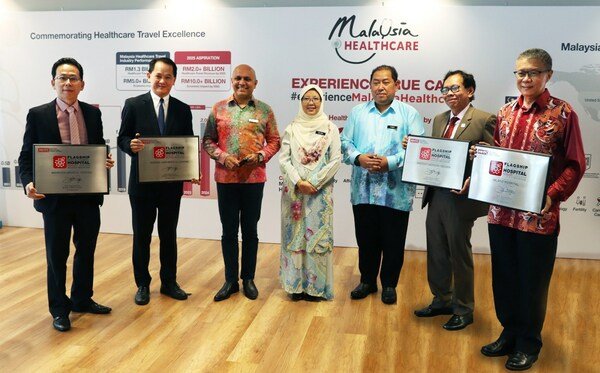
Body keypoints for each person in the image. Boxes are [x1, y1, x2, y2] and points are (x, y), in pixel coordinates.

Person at [477, 48, 585, 371]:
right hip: (501, 214)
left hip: (538, 218)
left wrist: (552, 194)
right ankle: (509, 333)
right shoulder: (505, 112)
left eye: (533, 73)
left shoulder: (563, 114)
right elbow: (499, 157)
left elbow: (575, 165)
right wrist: (483, 161)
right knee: (504, 277)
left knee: (532, 282)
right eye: (521, 73)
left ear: (547, 75)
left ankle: (528, 343)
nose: (526, 78)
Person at [18, 57, 114, 332]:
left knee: (86, 250)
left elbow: (96, 150)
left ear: (82, 84)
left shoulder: (93, 114)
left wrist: (103, 161)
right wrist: (28, 183)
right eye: (63, 78)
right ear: (53, 82)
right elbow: (26, 156)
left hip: (86, 197)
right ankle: (59, 309)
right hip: (54, 200)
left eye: (73, 78)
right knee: (57, 255)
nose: (68, 83)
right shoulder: (38, 114)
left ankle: (82, 299)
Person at [410, 70, 496, 330]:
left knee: (459, 253)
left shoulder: (483, 119)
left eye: (455, 88)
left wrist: (478, 160)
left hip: (461, 198)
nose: (449, 94)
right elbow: (435, 155)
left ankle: (464, 307)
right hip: (436, 194)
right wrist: (412, 148)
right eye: (445, 89)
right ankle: (441, 299)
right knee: (436, 250)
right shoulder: (438, 120)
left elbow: (493, 158)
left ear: (470, 90)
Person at [341, 65, 424, 305]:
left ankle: (389, 284)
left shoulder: (409, 114)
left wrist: (391, 162)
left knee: (393, 240)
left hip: (395, 191)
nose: (380, 87)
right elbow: (345, 142)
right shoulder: (358, 112)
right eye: (376, 82)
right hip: (363, 189)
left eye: (386, 82)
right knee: (366, 238)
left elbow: (419, 149)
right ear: (370, 85)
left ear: (397, 85)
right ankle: (367, 280)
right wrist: (359, 158)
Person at [117, 57, 196, 306]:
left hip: (171, 185)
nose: (162, 81)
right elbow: (122, 138)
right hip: (142, 186)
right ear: (148, 75)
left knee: (168, 234)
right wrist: (130, 145)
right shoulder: (133, 105)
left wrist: (192, 168)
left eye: (168, 77)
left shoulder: (183, 109)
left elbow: (187, 146)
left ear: (174, 80)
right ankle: (142, 284)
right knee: (141, 235)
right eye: (158, 75)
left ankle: (169, 282)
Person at [203, 64, 281, 302]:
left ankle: (248, 278)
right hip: (226, 180)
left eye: (247, 79)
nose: (242, 82)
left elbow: (275, 140)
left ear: (255, 83)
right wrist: (222, 157)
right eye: (238, 78)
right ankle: (230, 281)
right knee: (228, 232)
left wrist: (259, 156)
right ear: (231, 80)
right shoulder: (218, 109)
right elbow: (208, 141)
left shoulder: (265, 110)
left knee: (250, 231)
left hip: (253, 180)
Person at [279, 84, 341, 301]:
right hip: (294, 193)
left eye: (315, 98)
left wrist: (313, 182)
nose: (311, 102)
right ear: (300, 102)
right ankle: (295, 286)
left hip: (319, 193)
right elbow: (284, 159)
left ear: (321, 101)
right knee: (294, 237)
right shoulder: (292, 128)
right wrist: (298, 181)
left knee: (317, 238)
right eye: (307, 98)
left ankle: (316, 287)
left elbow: (336, 159)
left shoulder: (330, 128)